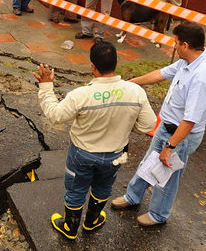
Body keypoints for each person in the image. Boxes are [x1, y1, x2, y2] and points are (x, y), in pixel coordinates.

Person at [35, 41, 157, 239]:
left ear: (93, 67)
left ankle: (70, 228)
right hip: (116, 155)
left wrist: (46, 86)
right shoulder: (136, 92)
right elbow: (147, 125)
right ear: (116, 63)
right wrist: (125, 126)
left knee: (76, 189)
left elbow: (56, 115)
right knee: (104, 186)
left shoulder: (80, 95)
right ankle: (92, 222)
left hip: (82, 154)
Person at [113, 21, 206, 227]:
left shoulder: (202, 77)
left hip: (181, 136)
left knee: (166, 176)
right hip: (167, 127)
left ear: (185, 45)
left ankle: (158, 215)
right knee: (148, 164)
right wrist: (128, 84)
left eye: (176, 43)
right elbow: (159, 75)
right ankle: (133, 197)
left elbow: (189, 120)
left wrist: (170, 147)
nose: (173, 46)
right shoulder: (187, 61)